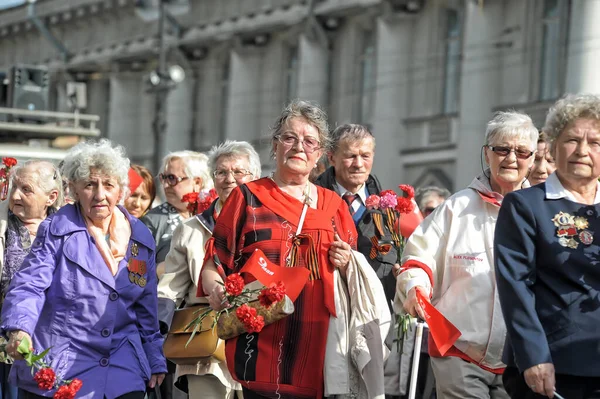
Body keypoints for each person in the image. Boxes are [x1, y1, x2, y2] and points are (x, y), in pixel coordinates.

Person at [199, 100, 360, 398]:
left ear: (320, 156)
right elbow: (215, 261)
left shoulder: (334, 206)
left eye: (309, 141)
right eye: (289, 138)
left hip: (319, 348)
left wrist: (347, 259)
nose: (299, 147)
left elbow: (354, 272)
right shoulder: (247, 197)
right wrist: (216, 289)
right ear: (275, 146)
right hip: (258, 342)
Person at [1, 139, 167, 399]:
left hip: (121, 364)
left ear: (120, 191)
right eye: (90, 184)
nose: (100, 194)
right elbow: (29, 284)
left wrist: (154, 356)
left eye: (108, 185)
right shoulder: (56, 228)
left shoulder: (140, 235)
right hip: (61, 362)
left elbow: (146, 305)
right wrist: (20, 329)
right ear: (75, 190)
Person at [395, 111, 538, 399]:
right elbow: (419, 258)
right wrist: (415, 287)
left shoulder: (540, 212)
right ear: (487, 154)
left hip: (519, 359)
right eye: (502, 149)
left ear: (533, 158)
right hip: (458, 351)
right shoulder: (456, 207)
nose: (511, 158)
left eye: (521, 151)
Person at [495, 94, 600, 399]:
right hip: (553, 364)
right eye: (572, 140)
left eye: (594, 142)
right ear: (553, 145)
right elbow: (516, 287)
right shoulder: (526, 205)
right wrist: (533, 355)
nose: (582, 150)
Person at [157, 140, 261, 399]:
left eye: (238, 172)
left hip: (259, 345)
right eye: (221, 172)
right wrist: (154, 340)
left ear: (255, 178)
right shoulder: (190, 229)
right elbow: (169, 288)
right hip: (206, 347)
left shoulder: (270, 225)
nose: (229, 179)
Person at [314, 124, 399, 304]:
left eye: (365, 156)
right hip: (328, 307)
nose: (359, 164)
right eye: (351, 156)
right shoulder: (313, 201)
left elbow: (392, 261)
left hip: (375, 312)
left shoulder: (389, 209)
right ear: (331, 158)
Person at [0, 160, 63, 399]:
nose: (15, 195)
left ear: (50, 197)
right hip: (5, 338)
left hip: (49, 342)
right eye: (14, 186)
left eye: (26, 189)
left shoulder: (66, 228)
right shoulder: (3, 223)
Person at [141, 151, 212, 278]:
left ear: (197, 182)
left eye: (173, 178)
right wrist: (161, 268)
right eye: (164, 178)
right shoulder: (152, 221)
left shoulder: (214, 214)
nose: (166, 185)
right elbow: (138, 269)